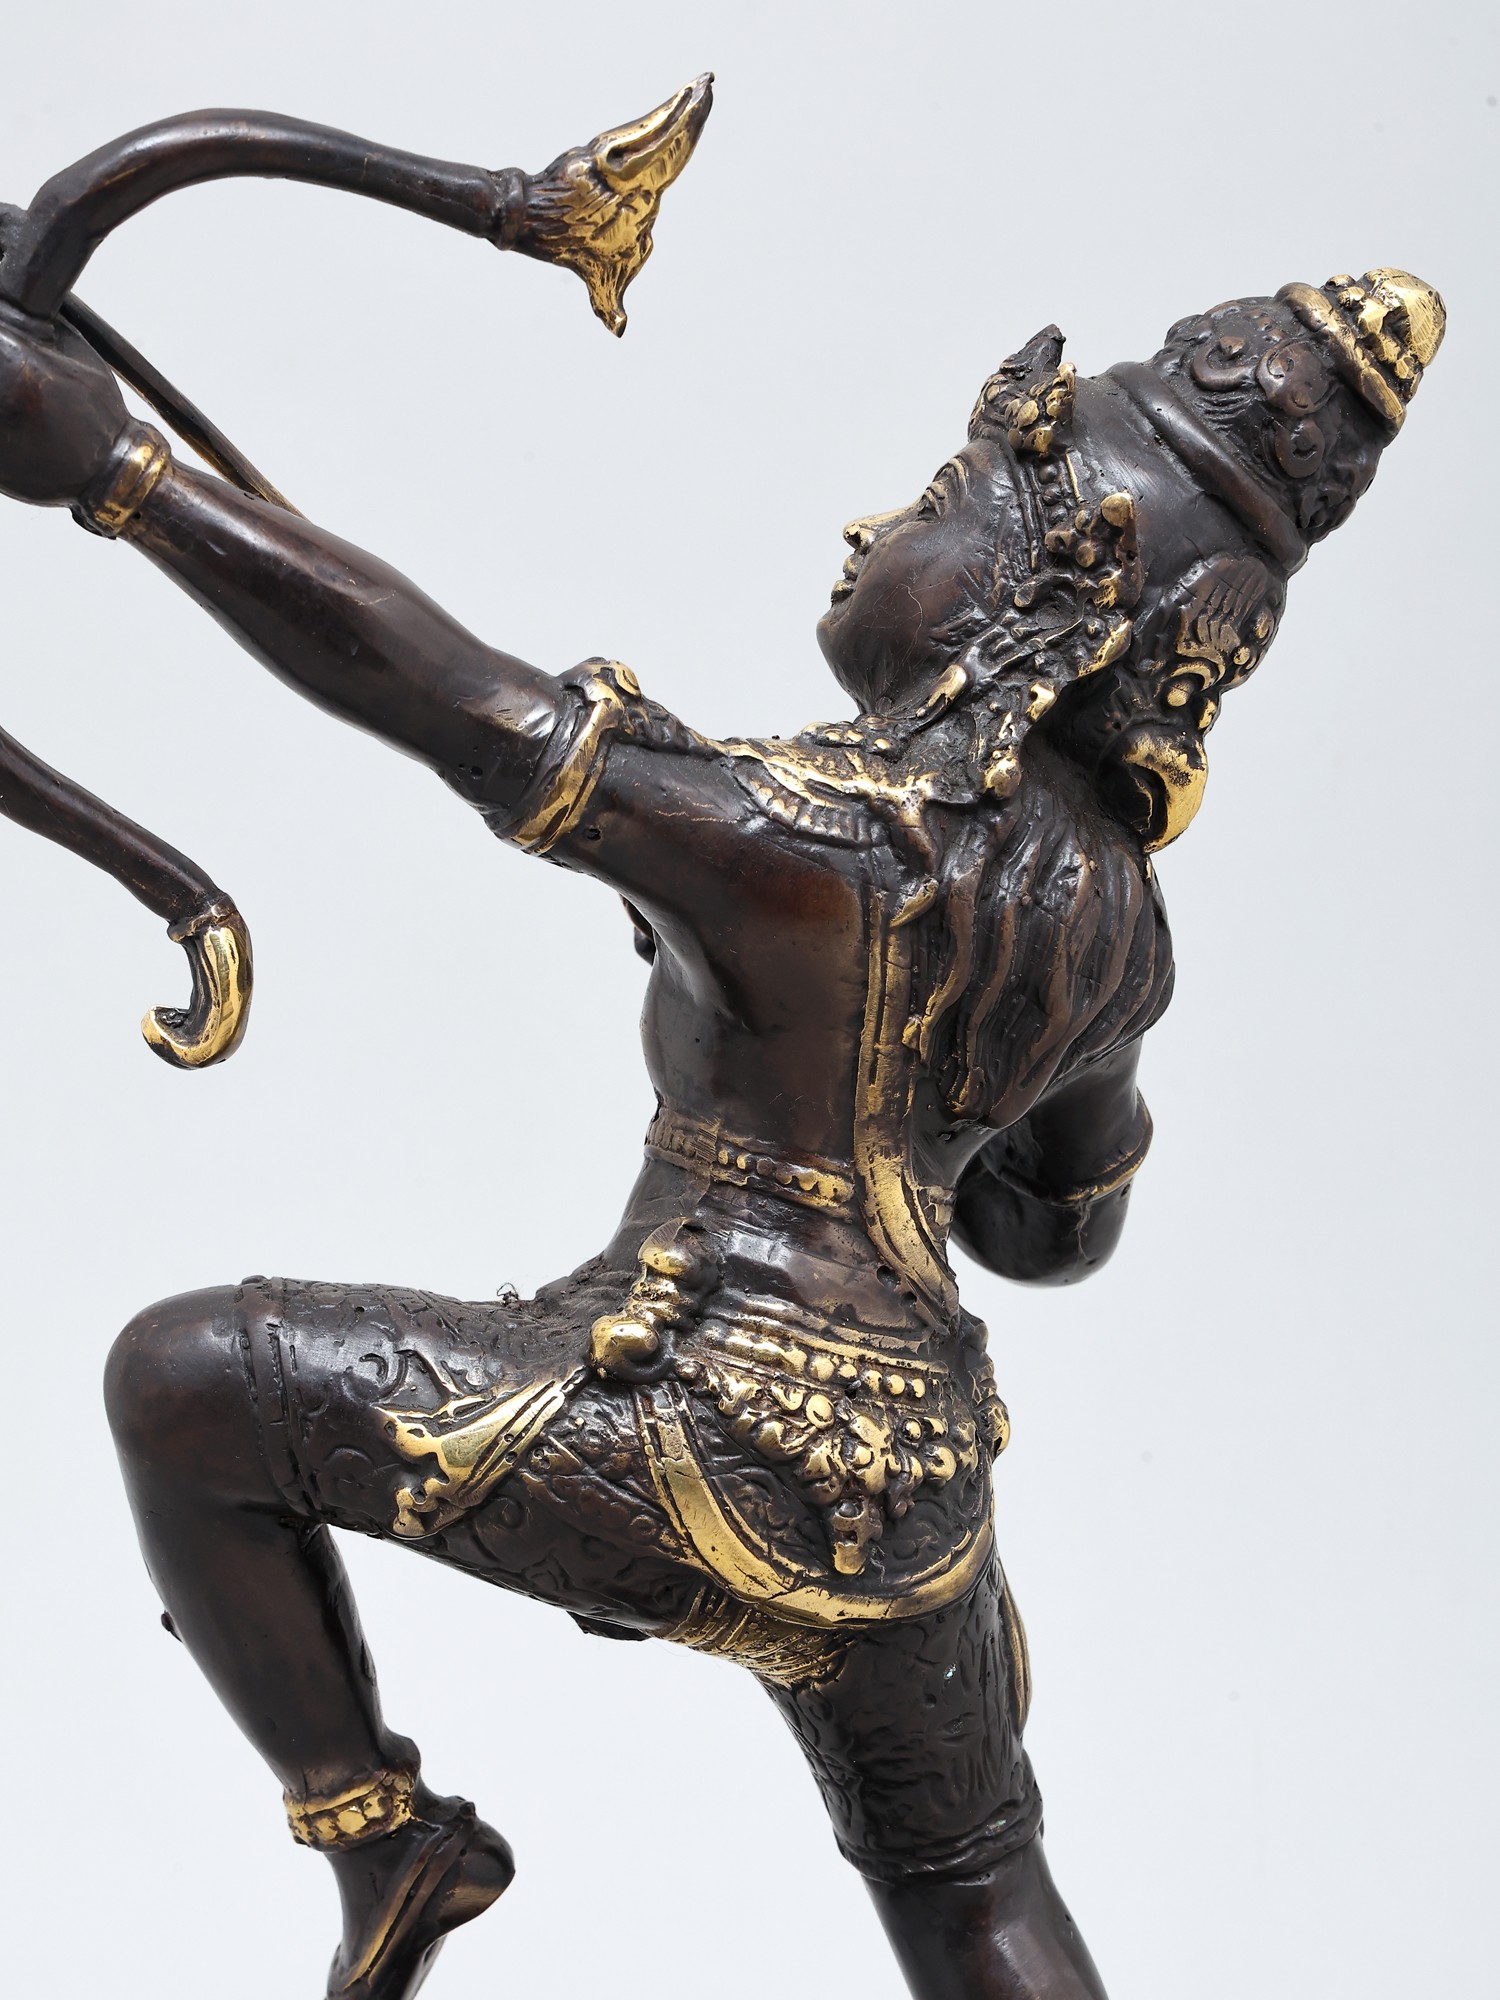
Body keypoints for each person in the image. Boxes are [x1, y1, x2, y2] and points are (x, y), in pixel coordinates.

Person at [0, 254, 1442, 1999]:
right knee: (977, 1892)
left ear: (1043, 607)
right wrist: (951, 1082)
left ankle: (380, 1829)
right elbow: (1055, 1236)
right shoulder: (1118, 930)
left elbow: (454, 703)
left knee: (185, 1388)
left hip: (696, 1423)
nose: (872, 529)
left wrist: (120, 473)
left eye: (937, 504)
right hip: (922, 1516)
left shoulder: (812, 837)